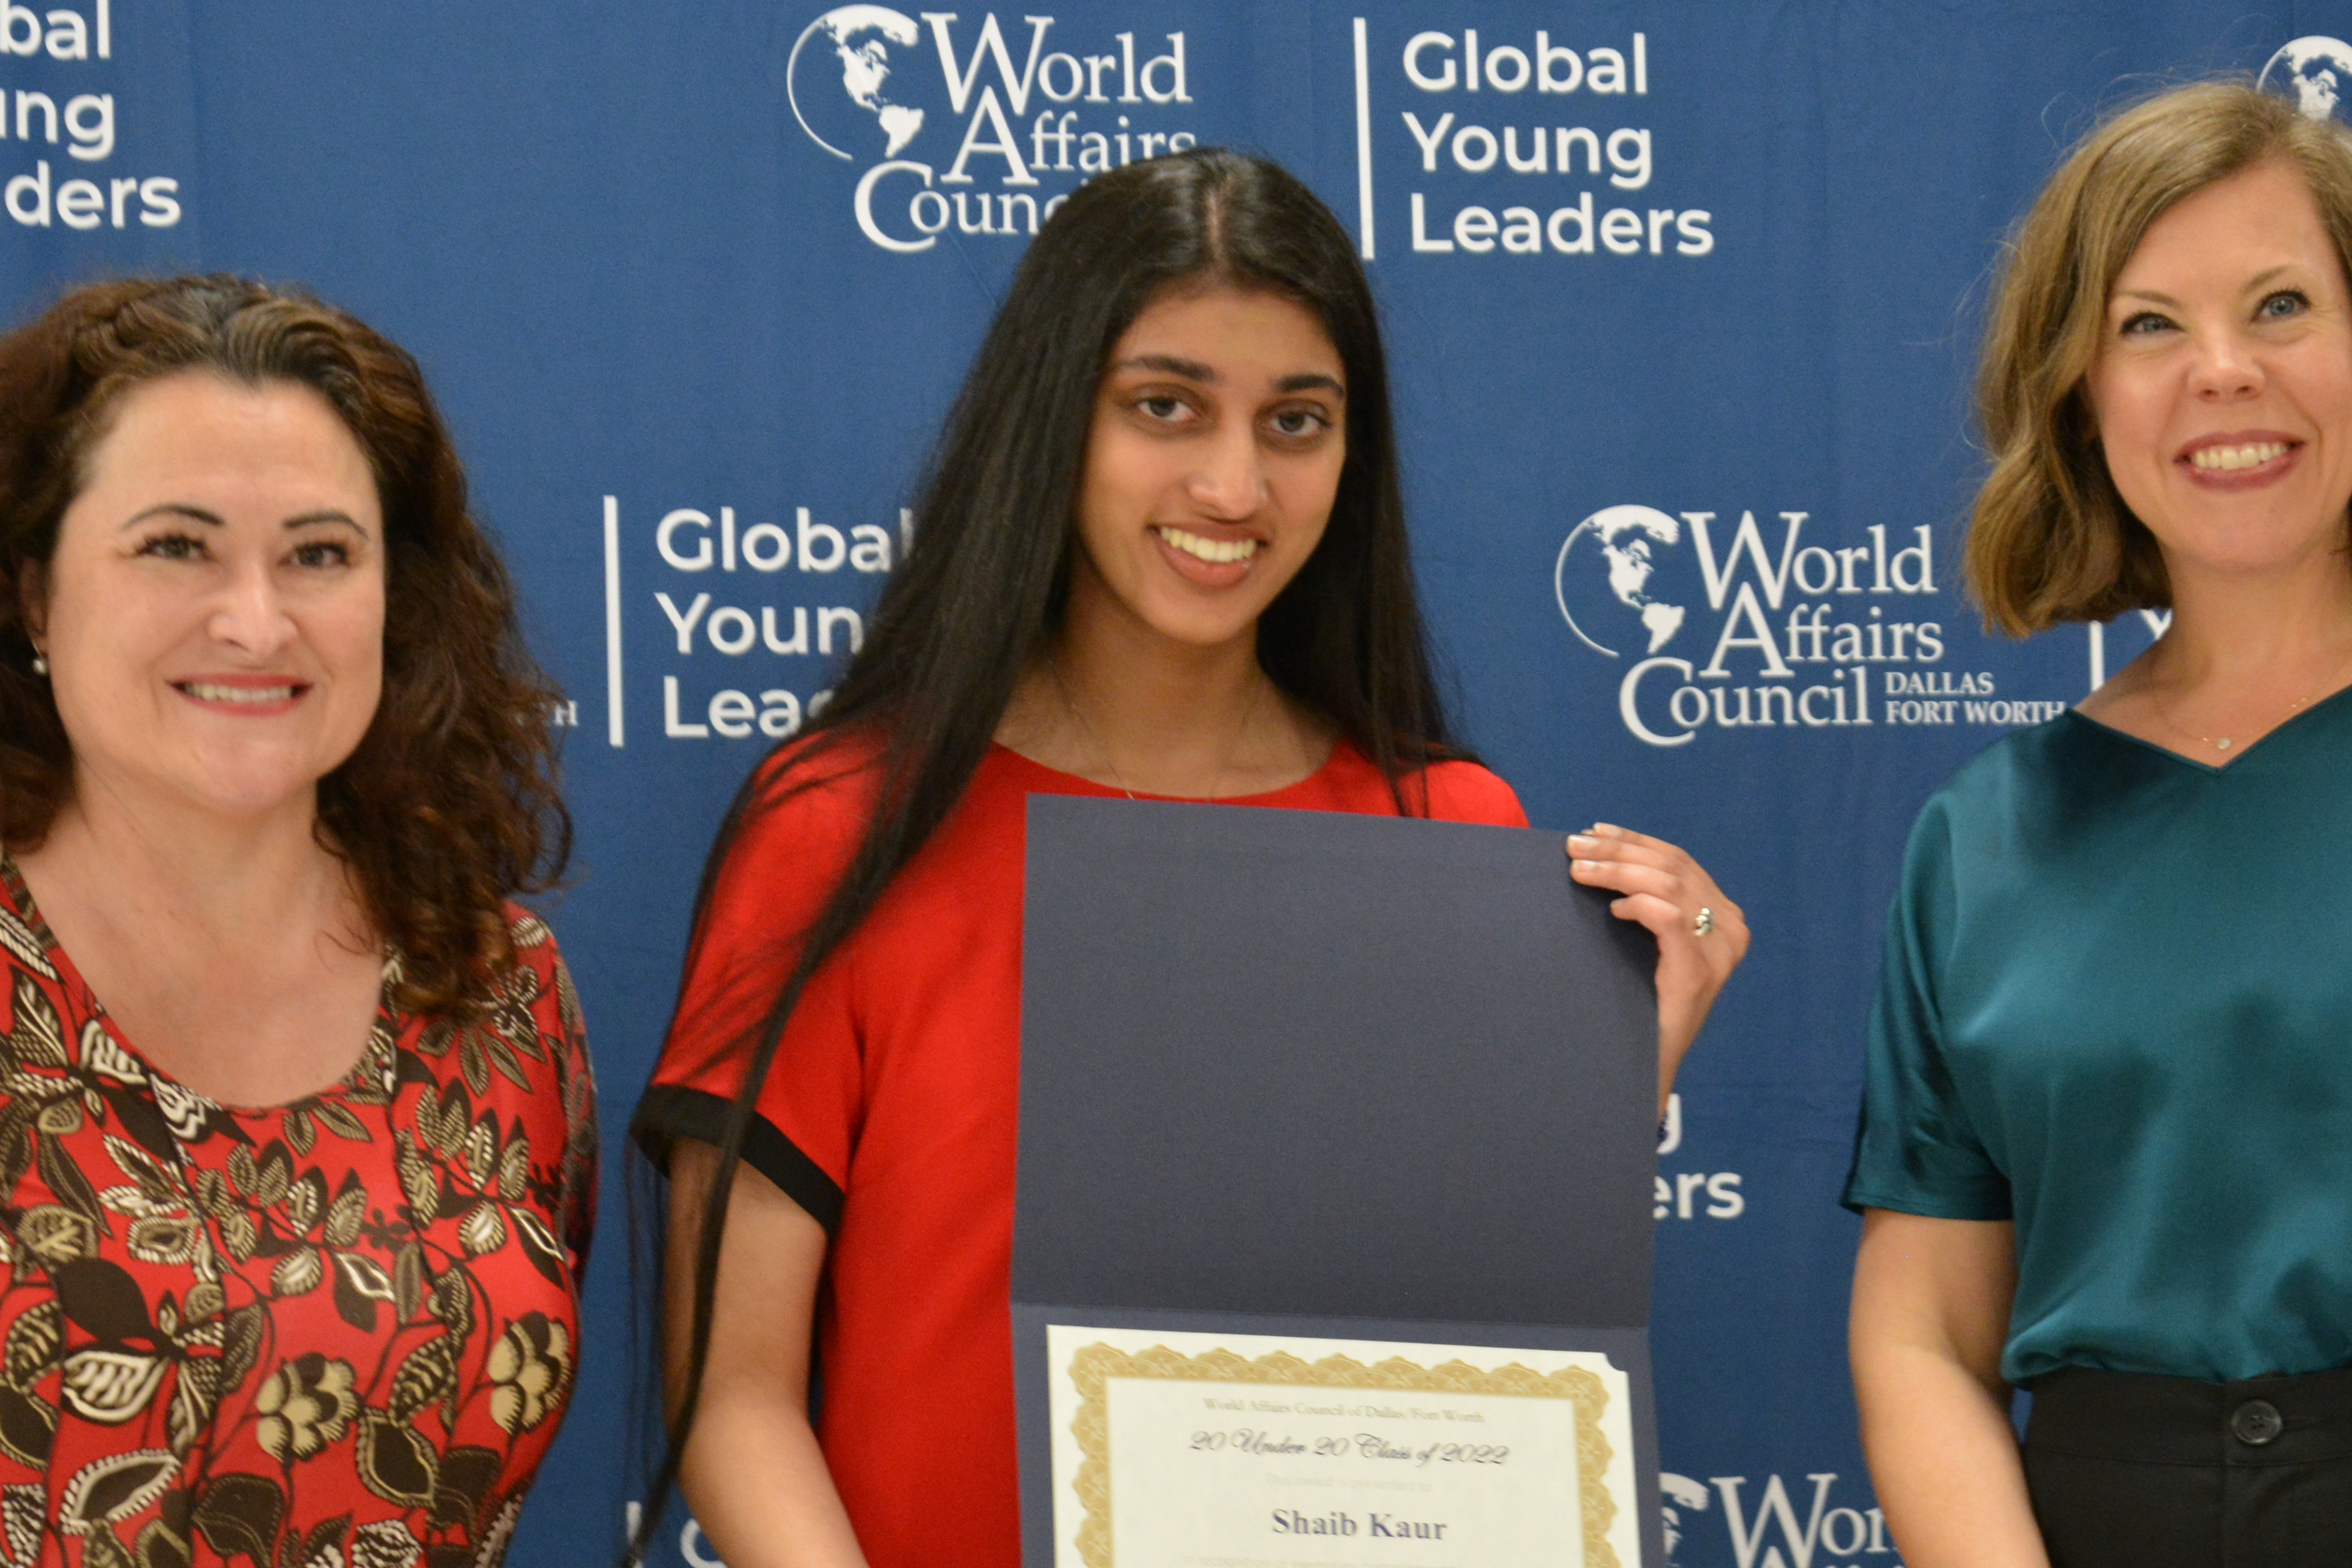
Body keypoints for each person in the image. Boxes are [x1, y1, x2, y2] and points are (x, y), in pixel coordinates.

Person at [628, 148, 1749, 1568]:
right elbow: (732, 1399)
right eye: (1165, 406)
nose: (1232, 483)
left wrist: (1606, 1073)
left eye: (1296, 420)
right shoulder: (845, 821)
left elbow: (1472, 1369)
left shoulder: (1450, 831)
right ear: (1056, 418)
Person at [0, 277, 597, 1567]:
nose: (257, 620)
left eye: (320, 553)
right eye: (177, 545)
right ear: (35, 591)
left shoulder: (494, 989)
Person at [1846, 82, 2352, 1568]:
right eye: (2147, 325)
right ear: (2076, 392)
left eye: (2280, 304)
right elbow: (1925, 1332)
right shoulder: (1984, 838)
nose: (2221, 373)